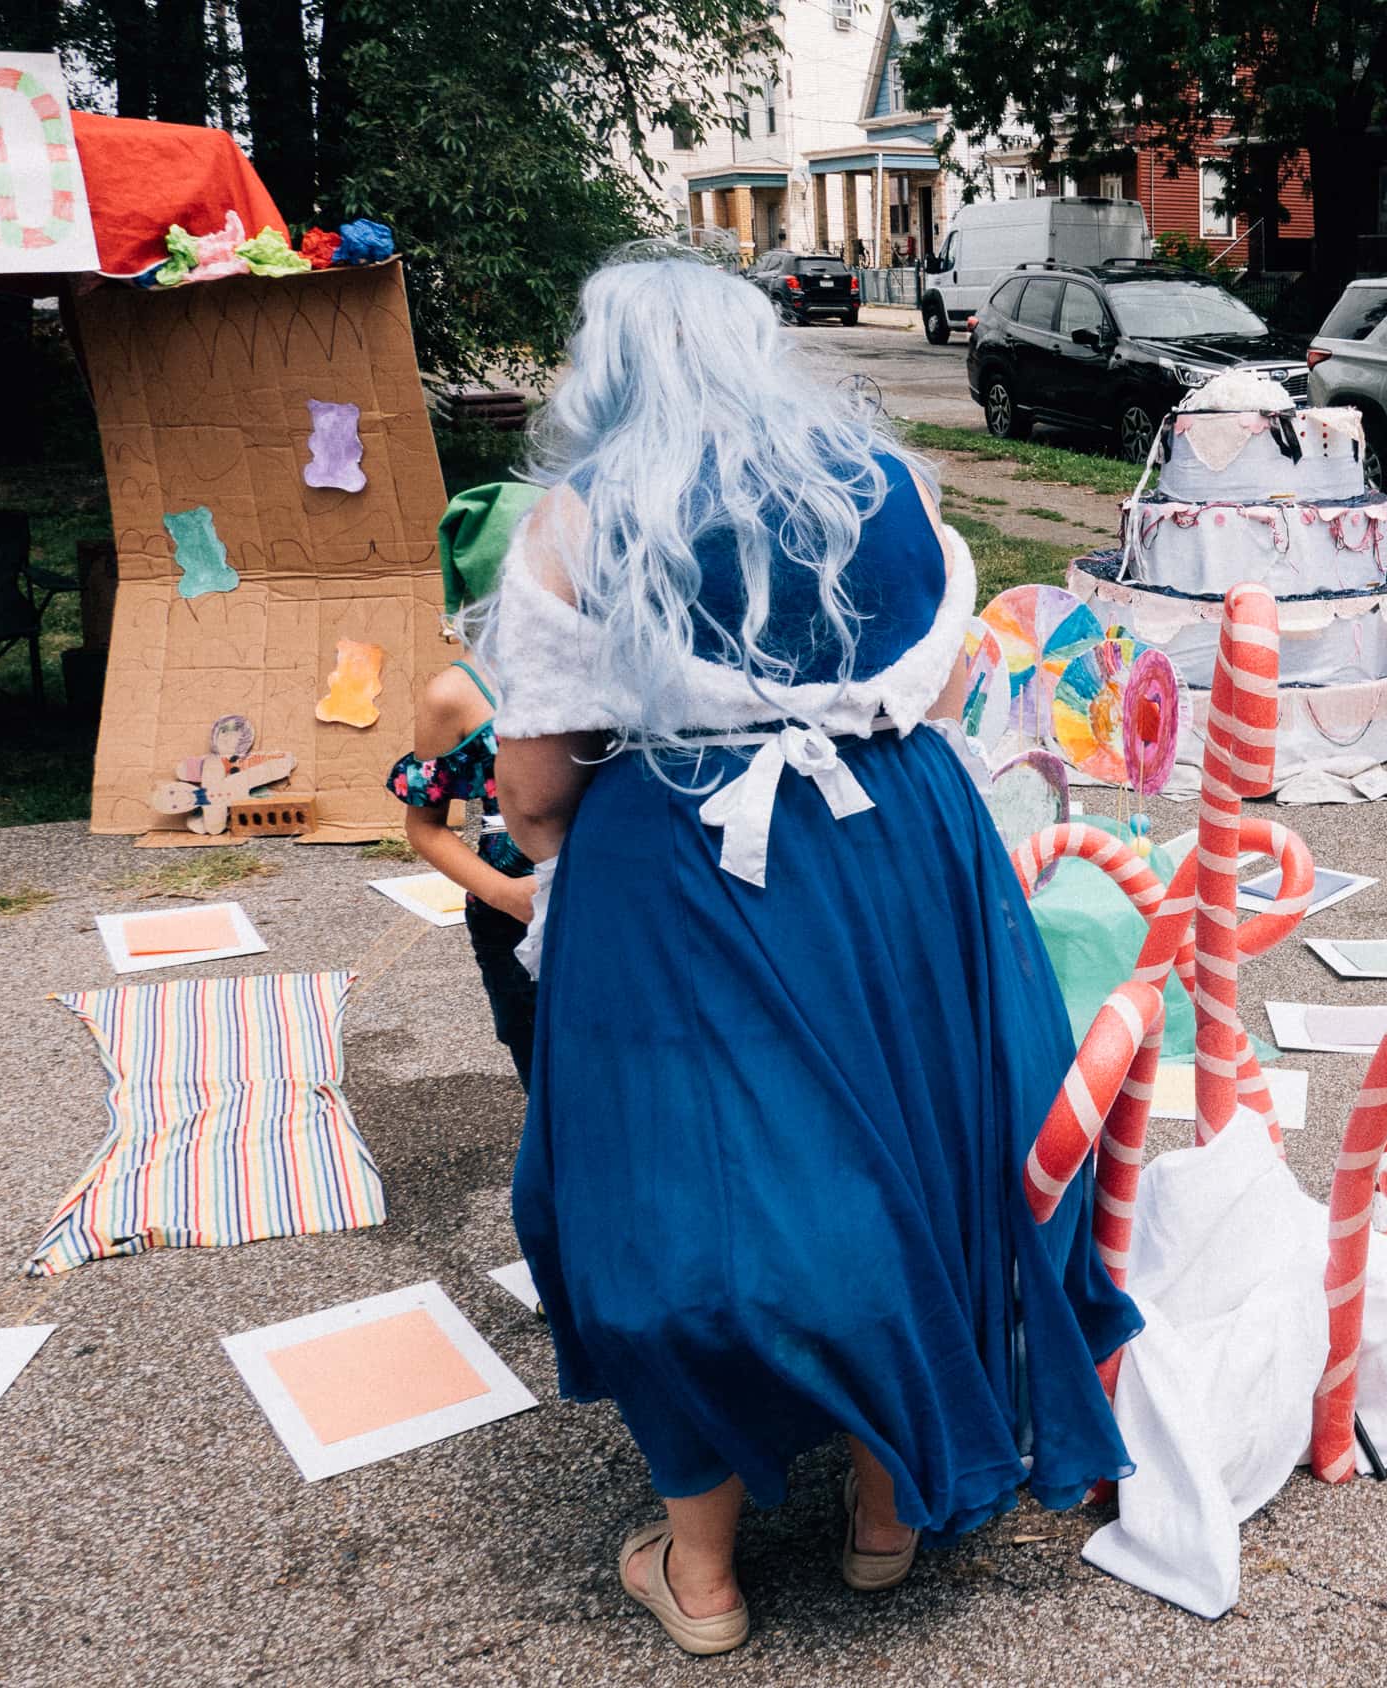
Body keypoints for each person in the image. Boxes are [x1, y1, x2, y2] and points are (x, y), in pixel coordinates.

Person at [483, 248, 1136, 1657]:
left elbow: (535, 794)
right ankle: (885, 1512)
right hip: (905, 848)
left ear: (605, 375)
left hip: (687, 866)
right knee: (919, 1152)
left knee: (666, 1196)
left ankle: (702, 1570)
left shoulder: (576, 523)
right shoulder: (886, 490)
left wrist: (562, 865)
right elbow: (948, 676)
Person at [387, 483, 543, 1087]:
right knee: (543, 1063)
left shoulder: (609, 664)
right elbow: (425, 828)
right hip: (515, 914)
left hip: (617, 900)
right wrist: (504, 895)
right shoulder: (454, 696)